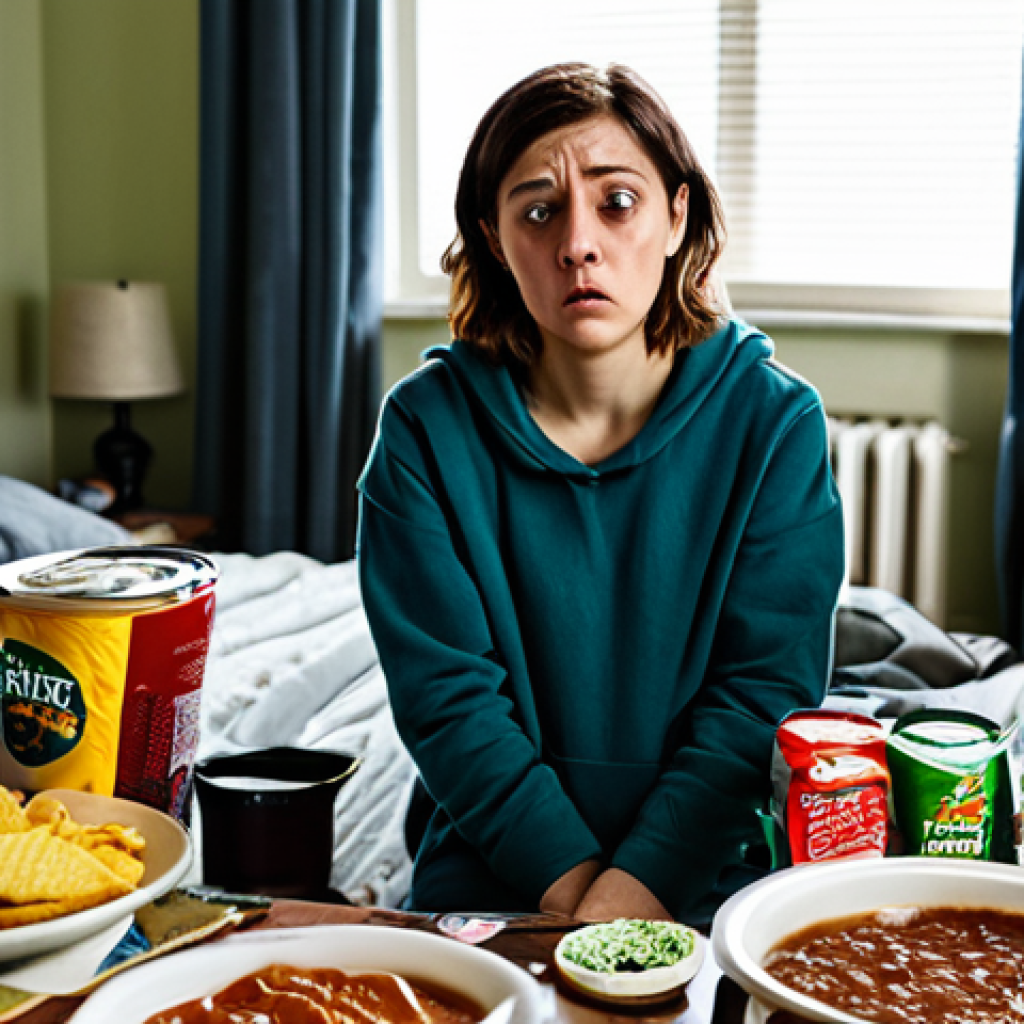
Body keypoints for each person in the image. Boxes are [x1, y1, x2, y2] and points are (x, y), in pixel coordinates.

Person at [357, 63, 844, 926]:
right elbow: (450, 707)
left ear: (676, 217)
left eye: (617, 202)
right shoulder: (423, 432)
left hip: (710, 872)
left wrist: (635, 899)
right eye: (539, 210)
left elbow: (761, 694)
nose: (578, 241)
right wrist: (583, 907)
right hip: (495, 874)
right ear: (495, 239)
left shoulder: (776, 422)